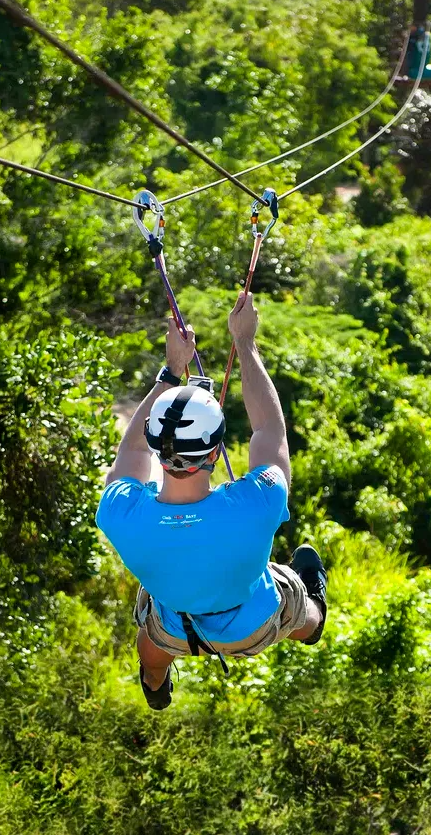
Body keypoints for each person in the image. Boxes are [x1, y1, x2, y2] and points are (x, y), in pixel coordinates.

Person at [96, 297, 327, 710]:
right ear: (216, 453)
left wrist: (171, 372)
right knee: (294, 602)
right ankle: (314, 621)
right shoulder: (255, 504)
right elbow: (269, 431)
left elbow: (130, 455)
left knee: (152, 639)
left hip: (174, 623)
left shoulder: (119, 513)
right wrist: (245, 343)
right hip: (251, 624)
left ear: (156, 448)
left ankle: (154, 681)